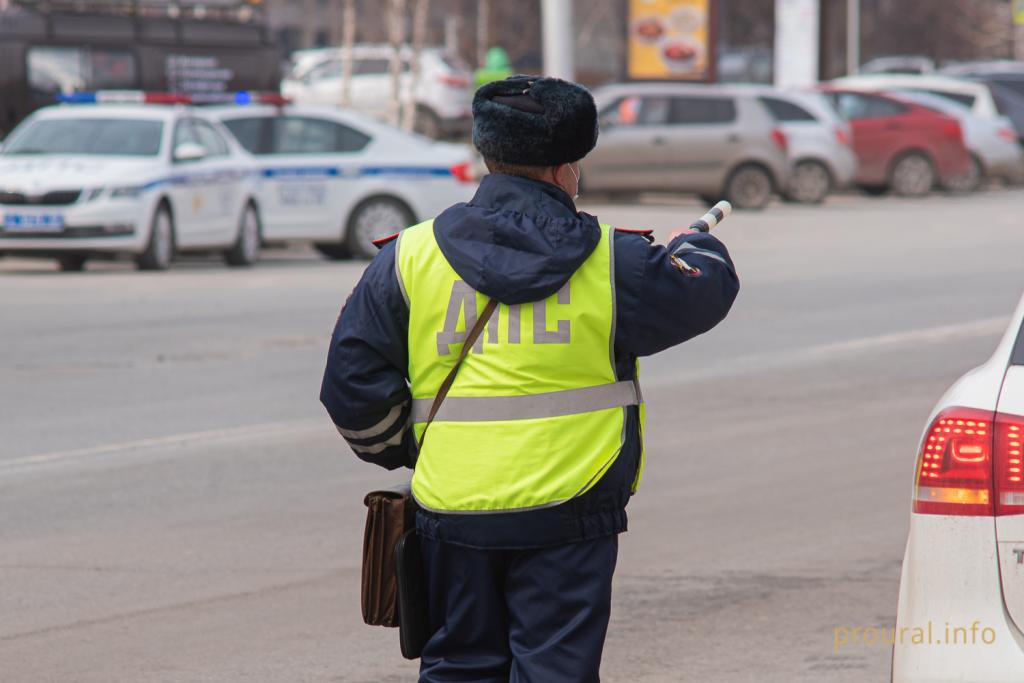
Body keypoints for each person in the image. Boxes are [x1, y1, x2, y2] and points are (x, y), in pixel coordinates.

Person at [320, 75, 739, 682]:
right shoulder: (613, 261)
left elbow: (350, 388)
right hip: (570, 509)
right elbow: (704, 292)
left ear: (488, 156)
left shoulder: (408, 257)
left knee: (458, 669)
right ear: (565, 171)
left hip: (452, 511)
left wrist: (413, 450)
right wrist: (696, 247)